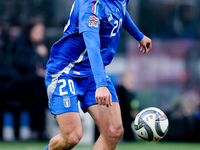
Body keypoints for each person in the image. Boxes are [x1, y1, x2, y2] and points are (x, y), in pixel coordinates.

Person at [44, 0, 151, 149]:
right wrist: (101, 85)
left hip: (92, 71)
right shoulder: (90, 5)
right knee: (72, 137)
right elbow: (92, 45)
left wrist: (139, 35)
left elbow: (121, 10)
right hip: (66, 71)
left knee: (114, 131)